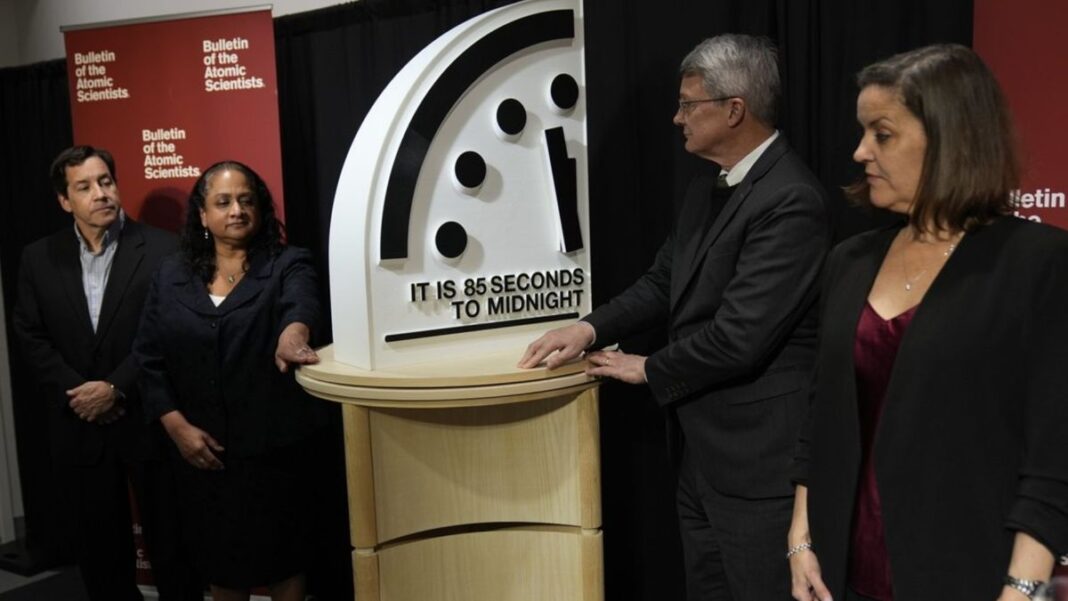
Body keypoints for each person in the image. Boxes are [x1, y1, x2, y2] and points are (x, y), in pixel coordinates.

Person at [519, 34, 830, 600]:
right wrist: (588, 328)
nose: (676, 118)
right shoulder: (706, 187)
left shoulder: (791, 200)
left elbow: (739, 338)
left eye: (689, 105)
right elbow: (664, 280)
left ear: (734, 110)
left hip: (758, 467)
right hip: (700, 457)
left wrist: (648, 368)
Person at [788, 44, 1068, 601]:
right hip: (842, 577)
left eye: (882, 134)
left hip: (971, 577)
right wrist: (801, 536)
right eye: (863, 132)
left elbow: (1053, 454)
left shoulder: (1038, 263)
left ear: (949, 139)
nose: (860, 151)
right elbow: (821, 415)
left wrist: (1021, 590)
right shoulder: (849, 261)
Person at [12, 145, 201, 600]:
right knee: (100, 556)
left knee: (173, 549)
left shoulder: (164, 250)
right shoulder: (38, 257)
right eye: (85, 187)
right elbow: (30, 335)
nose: (100, 193)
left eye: (105, 181)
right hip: (80, 423)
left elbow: (170, 331)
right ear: (65, 201)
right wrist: (81, 393)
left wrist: (116, 387)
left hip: (149, 418)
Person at [133, 160, 325, 601]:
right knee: (222, 568)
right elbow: (147, 356)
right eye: (223, 202)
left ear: (259, 208)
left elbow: (302, 305)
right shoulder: (170, 275)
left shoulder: (287, 263)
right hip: (203, 456)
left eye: (246, 200)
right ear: (203, 214)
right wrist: (176, 427)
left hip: (273, 455)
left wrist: (293, 335)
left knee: (284, 562)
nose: (237, 210)